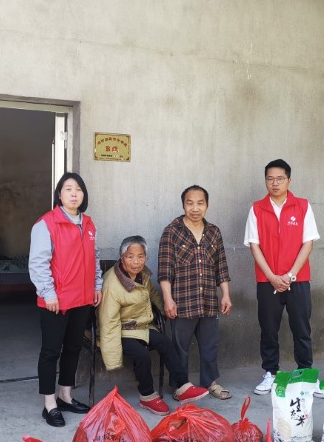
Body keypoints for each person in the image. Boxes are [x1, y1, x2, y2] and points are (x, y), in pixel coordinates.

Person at [98, 236, 209, 415]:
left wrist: (167, 308)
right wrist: (112, 359)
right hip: (121, 331)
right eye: (130, 257)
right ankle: (147, 396)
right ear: (121, 257)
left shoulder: (143, 275)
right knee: (142, 355)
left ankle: (182, 387)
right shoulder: (112, 284)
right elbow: (108, 322)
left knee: (166, 343)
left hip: (141, 327)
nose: (136, 262)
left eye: (140, 256)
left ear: (145, 257)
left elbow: (153, 295)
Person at [28, 172, 102, 427]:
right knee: (50, 352)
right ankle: (49, 404)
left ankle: (65, 396)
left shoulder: (89, 224)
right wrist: (48, 293)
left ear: (84, 195)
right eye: (68, 188)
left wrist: (97, 285)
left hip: (81, 299)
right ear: (59, 194)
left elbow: (95, 258)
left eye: (78, 189)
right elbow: (38, 263)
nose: (73, 193)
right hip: (55, 302)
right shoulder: (46, 224)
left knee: (73, 348)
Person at [244, 159, 320, 395]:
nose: (274, 183)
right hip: (267, 281)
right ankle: (271, 373)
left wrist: (290, 275)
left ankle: (306, 375)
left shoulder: (303, 206)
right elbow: (254, 245)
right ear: (265, 180)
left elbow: (308, 243)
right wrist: (272, 276)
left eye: (279, 178)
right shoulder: (257, 208)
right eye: (270, 178)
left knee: (301, 327)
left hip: (298, 279)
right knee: (268, 329)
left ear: (289, 180)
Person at [158, 185, 233, 400]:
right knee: (179, 347)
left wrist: (225, 294)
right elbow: (165, 270)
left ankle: (210, 383)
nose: (195, 208)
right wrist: (168, 299)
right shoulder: (172, 231)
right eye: (190, 203)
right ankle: (181, 386)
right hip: (182, 301)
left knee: (210, 345)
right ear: (183, 205)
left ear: (207, 206)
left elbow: (221, 267)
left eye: (200, 203)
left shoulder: (214, 232)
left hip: (208, 299)